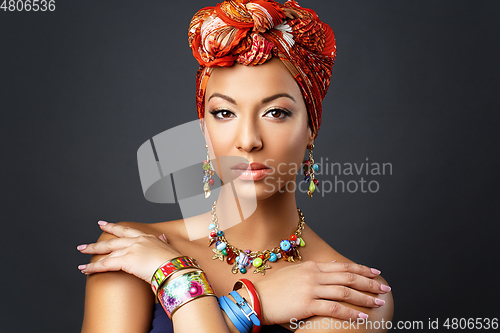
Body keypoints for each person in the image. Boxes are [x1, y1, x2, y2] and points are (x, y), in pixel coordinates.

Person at [78, 1, 394, 332]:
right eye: (225, 113)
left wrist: (176, 277)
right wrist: (255, 303)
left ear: (311, 126)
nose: (248, 140)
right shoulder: (135, 248)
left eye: (276, 112)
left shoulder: (348, 293)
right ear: (204, 129)